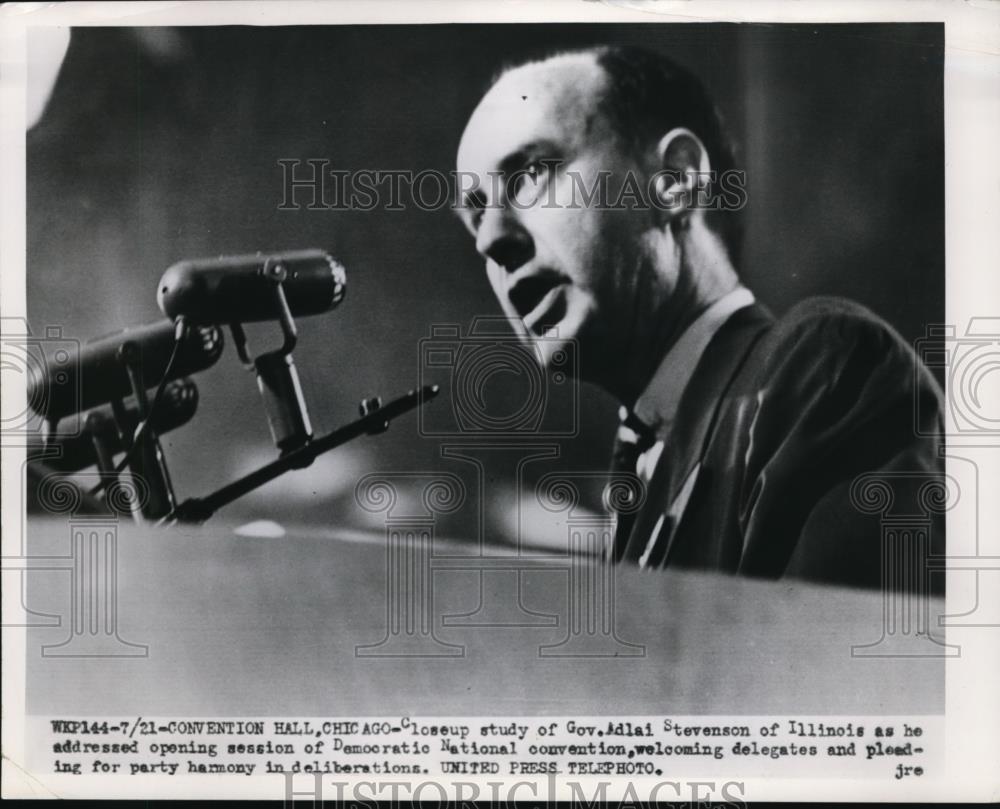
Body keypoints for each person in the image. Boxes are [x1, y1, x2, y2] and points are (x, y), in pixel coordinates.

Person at [454, 45, 945, 590]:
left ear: (675, 180)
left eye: (527, 176)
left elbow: (841, 662)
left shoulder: (823, 366)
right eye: (475, 216)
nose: (492, 241)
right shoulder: (638, 481)